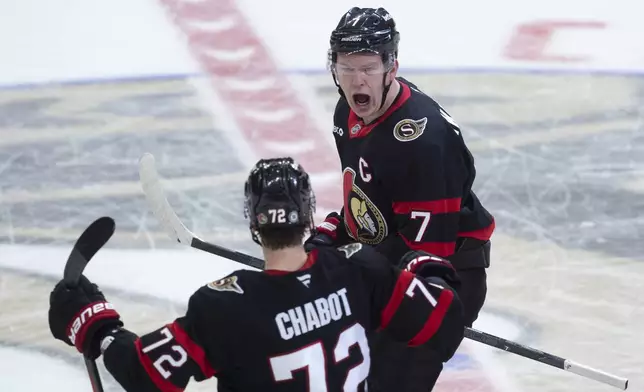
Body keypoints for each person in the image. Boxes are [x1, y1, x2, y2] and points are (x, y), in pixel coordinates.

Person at [48, 157, 465, 392]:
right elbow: (442, 320)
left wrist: (94, 323)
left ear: (253, 222)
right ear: (308, 216)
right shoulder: (358, 271)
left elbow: (141, 373)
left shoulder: (225, 307)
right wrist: (421, 263)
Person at [305, 7, 496, 391]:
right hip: (392, 260)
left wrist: (354, 270)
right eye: (346, 67)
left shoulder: (425, 143)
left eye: (368, 69)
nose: (357, 80)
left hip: (443, 278)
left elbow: (431, 261)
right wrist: (334, 232)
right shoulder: (348, 111)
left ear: (391, 67)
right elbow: (373, 201)